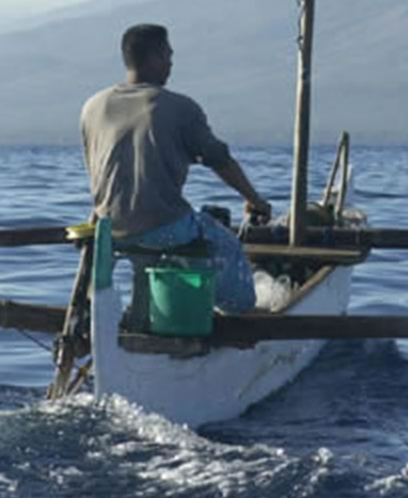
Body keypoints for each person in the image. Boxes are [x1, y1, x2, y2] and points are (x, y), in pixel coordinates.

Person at [80, 23, 269, 313]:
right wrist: (255, 201)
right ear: (154, 57)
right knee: (225, 242)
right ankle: (239, 313)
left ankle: (142, 312)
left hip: (108, 229)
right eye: (168, 56)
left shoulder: (93, 106)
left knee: (157, 241)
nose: (171, 63)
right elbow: (220, 160)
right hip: (164, 229)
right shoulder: (180, 108)